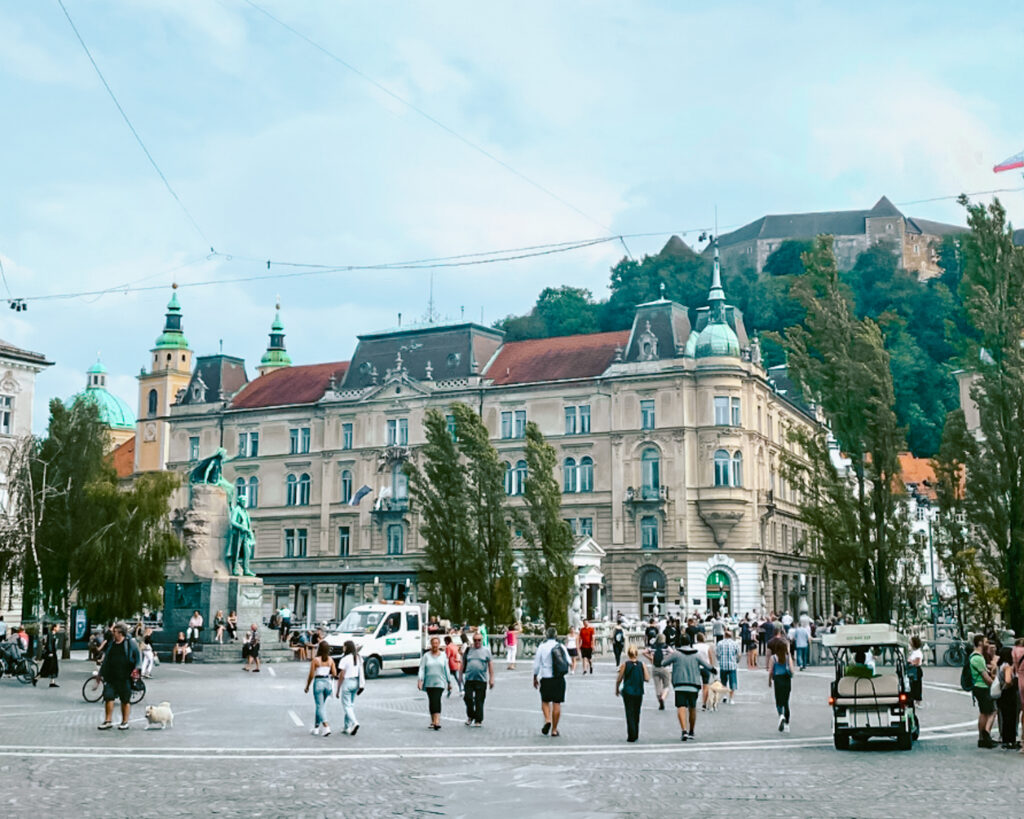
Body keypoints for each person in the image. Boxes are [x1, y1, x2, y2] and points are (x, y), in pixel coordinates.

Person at [660, 636, 713, 741]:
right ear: (690, 643)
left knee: (681, 706)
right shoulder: (696, 654)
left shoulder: (676, 654)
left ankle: (684, 730)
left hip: (680, 684)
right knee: (692, 708)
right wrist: (713, 670)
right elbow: (707, 665)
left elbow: (663, 663)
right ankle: (692, 731)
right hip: (693, 684)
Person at [97, 622, 141, 731]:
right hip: (111, 676)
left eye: (114, 632)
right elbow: (106, 660)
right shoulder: (112, 644)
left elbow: (138, 658)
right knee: (108, 697)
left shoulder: (130, 643)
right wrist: (100, 674)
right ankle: (108, 721)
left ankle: (124, 722)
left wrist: (136, 670)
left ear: (121, 633)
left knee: (125, 700)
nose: (112, 633)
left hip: (125, 676)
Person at [533, 627, 568, 737]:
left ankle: (548, 719)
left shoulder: (542, 647)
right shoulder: (561, 646)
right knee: (557, 703)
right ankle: (554, 729)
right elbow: (569, 661)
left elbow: (537, 664)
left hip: (546, 677)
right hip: (558, 677)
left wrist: (535, 676)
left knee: (545, 701)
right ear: (556, 635)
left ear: (546, 636)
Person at [616, 644, 650, 742]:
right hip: (639, 691)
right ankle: (636, 733)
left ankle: (631, 735)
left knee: (629, 713)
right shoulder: (642, 664)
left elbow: (619, 679)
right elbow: (647, 678)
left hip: (628, 691)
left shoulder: (625, 665)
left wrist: (617, 689)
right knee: (637, 712)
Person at [461, 631, 495, 726]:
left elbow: (490, 665)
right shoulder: (468, 650)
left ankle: (478, 719)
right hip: (469, 679)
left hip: (481, 679)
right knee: (468, 698)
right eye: (475, 640)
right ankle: (471, 715)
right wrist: (460, 677)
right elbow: (463, 663)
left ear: (482, 640)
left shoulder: (486, 651)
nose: (477, 642)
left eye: (479, 640)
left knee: (479, 700)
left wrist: (491, 678)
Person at [970, 634, 997, 748]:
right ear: (980, 643)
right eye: (985, 642)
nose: (987, 644)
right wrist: (995, 685)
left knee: (985, 712)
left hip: (978, 686)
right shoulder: (978, 658)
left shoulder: (975, 656)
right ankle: (985, 734)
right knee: (991, 712)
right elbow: (985, 676)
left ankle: (982, 737)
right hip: (982, 687)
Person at [418, 636, 452, 730]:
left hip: (440, 681)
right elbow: (422, 668)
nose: (435, 645)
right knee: (432, 701)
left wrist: (449, 682)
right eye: (433, 643)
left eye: (437, 643)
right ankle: (433, 721)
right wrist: (420, 680)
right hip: (429, 682)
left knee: (436, 699)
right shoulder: (426, 656)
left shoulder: (443, 655)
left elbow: (446, 669)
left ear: (439, 644)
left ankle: (437, 721)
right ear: (431, 645)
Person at [304, 641, 337, 737]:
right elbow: (334, 673)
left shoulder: (316, 660)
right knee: (320, 706)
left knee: (320, 706)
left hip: (318, 682)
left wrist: (307, 686)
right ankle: (316, 728)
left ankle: (326, 727)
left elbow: (311, 675)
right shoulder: (330, 660)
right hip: (328, 683)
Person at [335, 640, 362, 735]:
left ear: (347, 647)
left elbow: (342, 675)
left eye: (344, 646)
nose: (343, 648)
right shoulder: (357, 657)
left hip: (347, 682)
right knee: (350, 705)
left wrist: (338, 689)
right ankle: (347, 726)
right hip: (356, 682)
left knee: (346, 705)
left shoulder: (345, 659)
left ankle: (354, 722)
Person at [768, 641, 795, 732]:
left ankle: (781, 715)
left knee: (778, 700)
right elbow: (792, 670)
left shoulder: (773, 658)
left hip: (778, 679)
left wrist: (769, 681)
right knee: (786, 701)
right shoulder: (788, 658)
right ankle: (787, 723)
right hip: (786, 679)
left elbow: (771, 671)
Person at [995, 646, 1019, 749]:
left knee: (1005, 717)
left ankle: (1006, 740)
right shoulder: (1007, 666)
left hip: (1003, 695)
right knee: (1011, 717)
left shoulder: (1000, 665)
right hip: (1009, 694)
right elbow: (1008, 680)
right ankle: (1011, 740)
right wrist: (1010, 683)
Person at [643, 634, 672, 711]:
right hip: (665, 667)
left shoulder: (653, 647)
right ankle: (663, 697)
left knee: (657, 686)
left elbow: (644, 652)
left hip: (655, 667)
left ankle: (660, 699)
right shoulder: (666, 647)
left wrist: (650, 658)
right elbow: (673, 653)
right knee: (666, 685)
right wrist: (667, 659)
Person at [694, 633, 718, 711]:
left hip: (696, 667)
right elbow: (711, 658)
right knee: (705, 686)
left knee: (695, 685)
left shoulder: (694, 647)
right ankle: (704, 704)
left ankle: (693, 701)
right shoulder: (707, 647)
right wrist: (712, 667)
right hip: (706, 667)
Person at [717, 629, 740, 704]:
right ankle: (731, 699)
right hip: (732, 665)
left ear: (724, 635)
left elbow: (717, 654)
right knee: (732, 682)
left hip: (723, 665)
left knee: (723, 681)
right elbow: (738, 654)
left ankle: (724, 696)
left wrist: (719, 659)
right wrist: (737, 660)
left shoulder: (720, 643)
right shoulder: (735, 643)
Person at [34, 623, 60, 688]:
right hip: (50, 654)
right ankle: (36, 678)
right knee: (46, 668)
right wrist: (50, 652)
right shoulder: (50, 634)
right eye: (58, 627)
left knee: (53, 668)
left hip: (53, 654)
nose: (59, 628)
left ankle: (52, 682)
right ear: (54, 627)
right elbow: (49, 644)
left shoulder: (54, 634)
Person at [907, 635, 924, 704]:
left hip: (916, 670)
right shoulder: (913, 651)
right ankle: (914, 699)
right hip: (913, 670)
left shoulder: (918, 653)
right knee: (913, 685)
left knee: (917, 685)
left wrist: (910, 661)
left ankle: (918, 700)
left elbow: (917, 662)